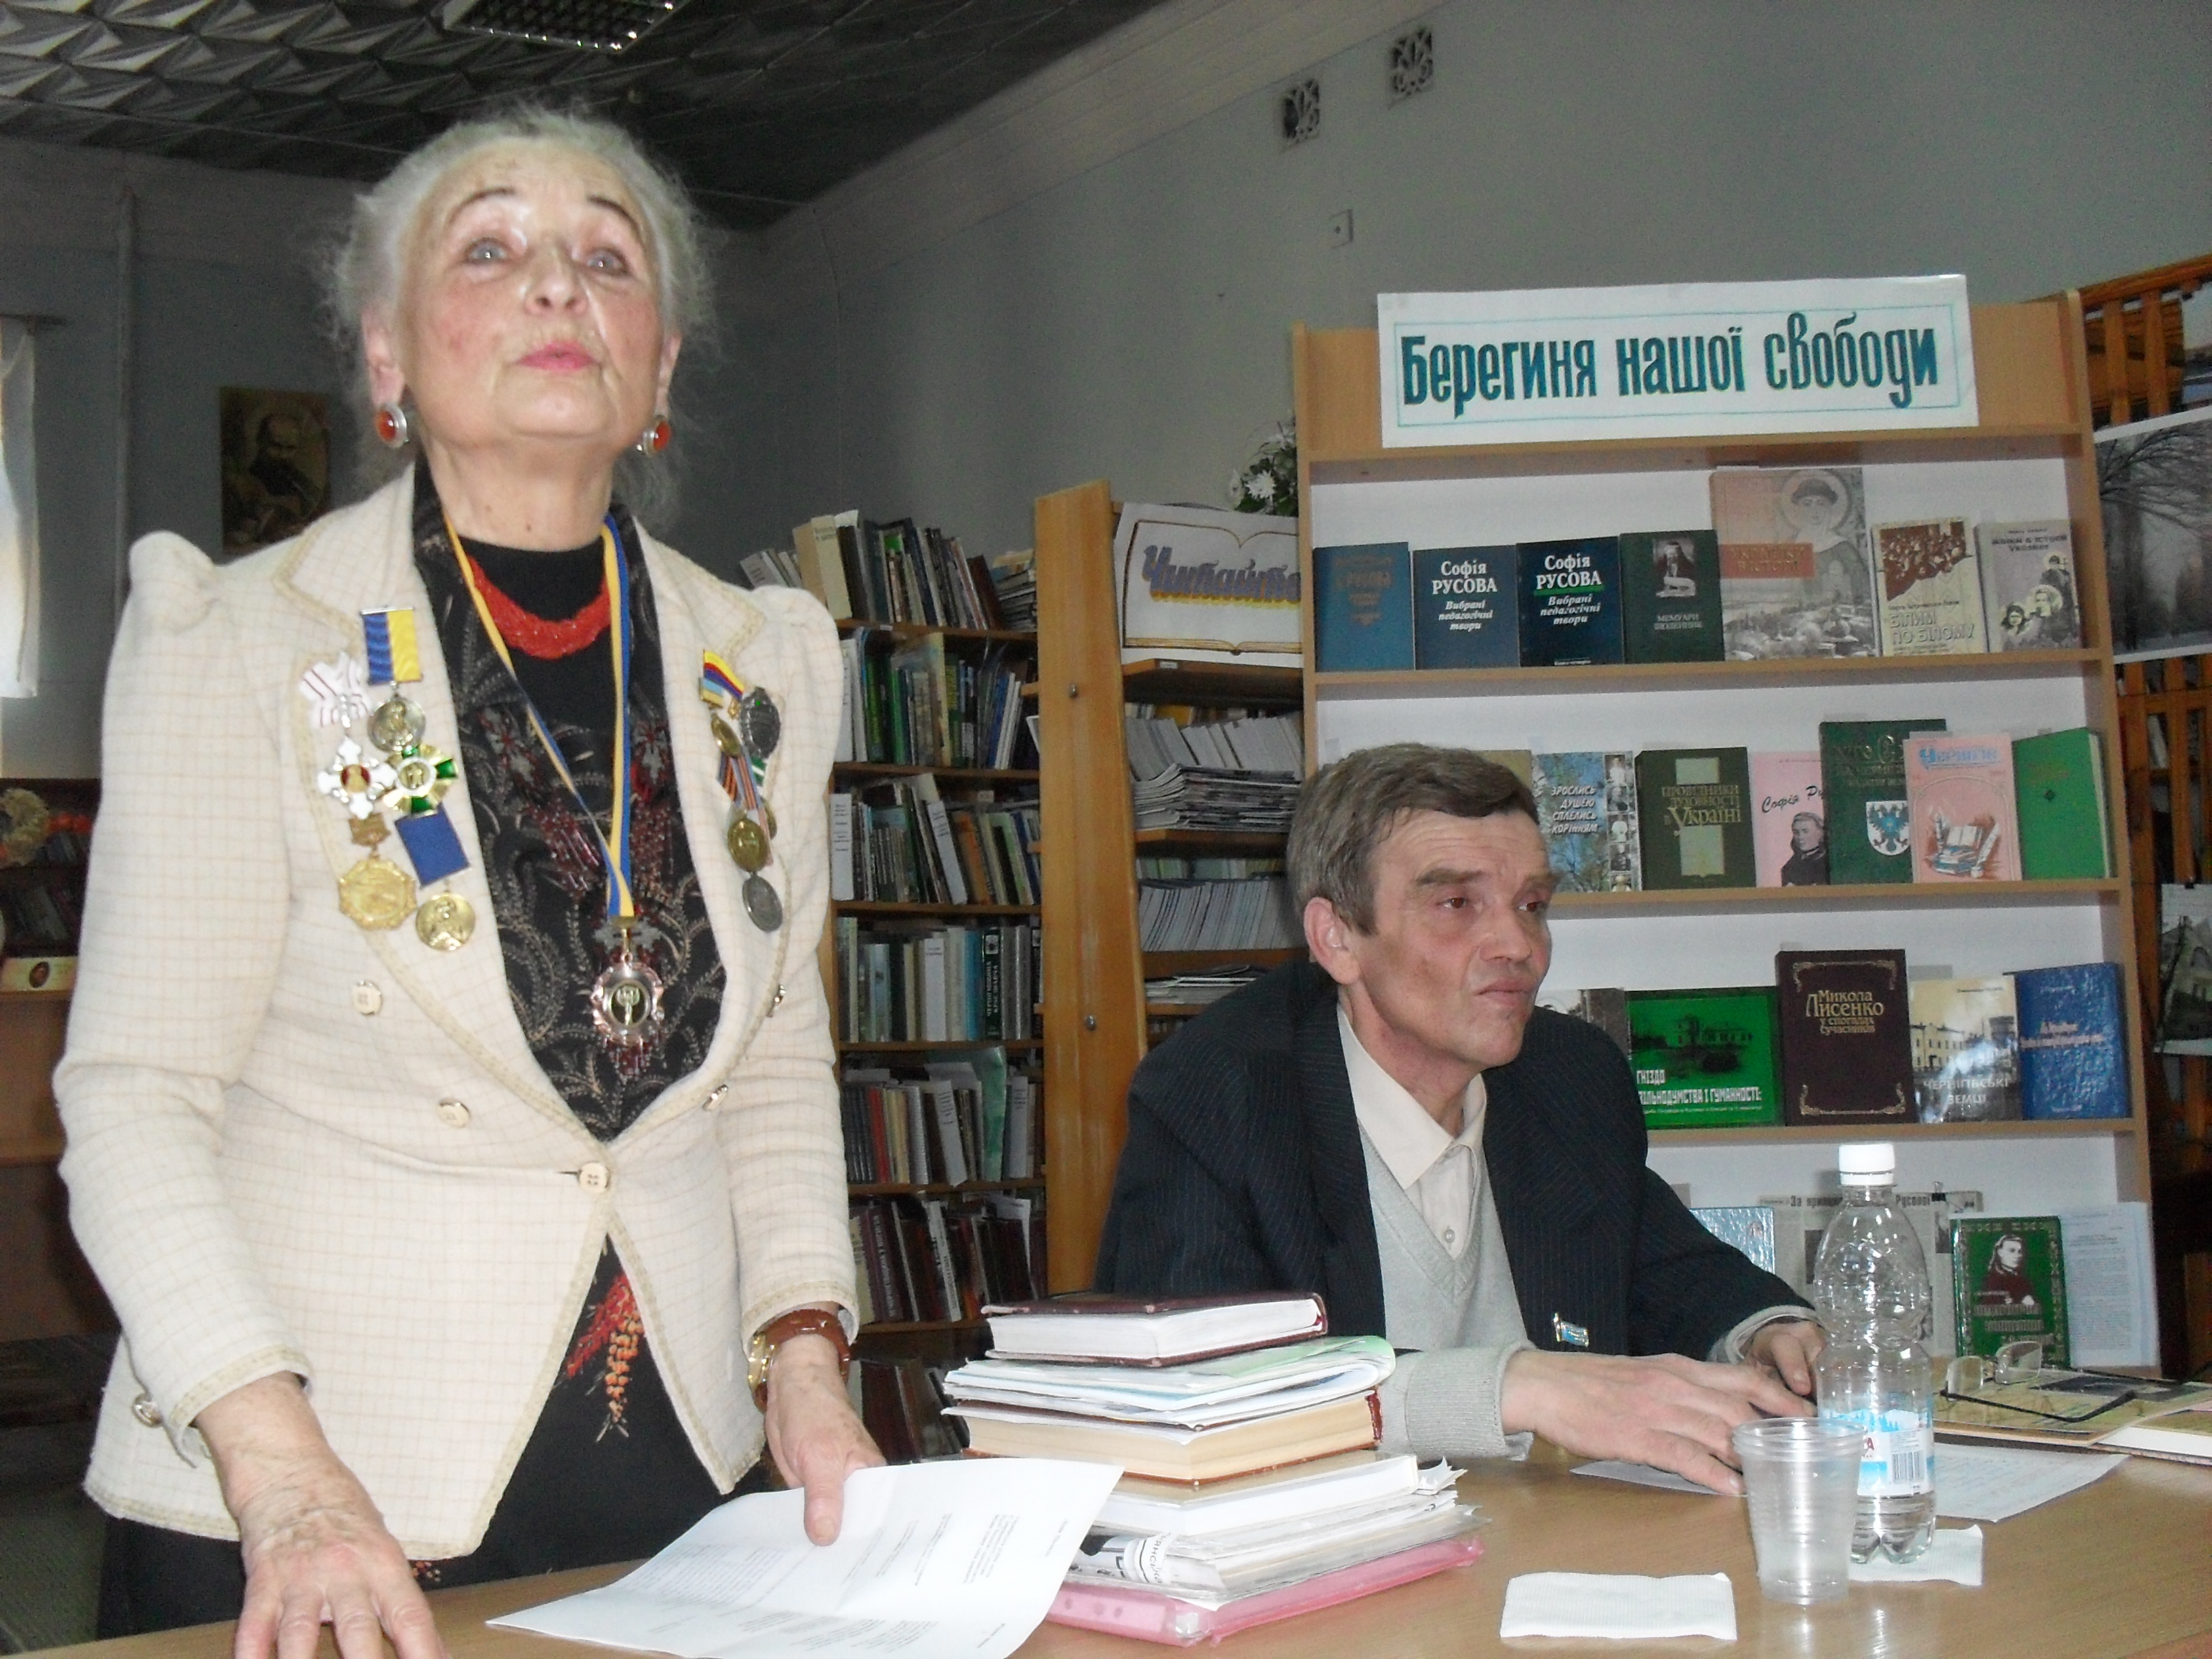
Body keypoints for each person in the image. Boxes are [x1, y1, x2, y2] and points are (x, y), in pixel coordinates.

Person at [56, 107, 877, 1654]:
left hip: (675, 1478)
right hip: (316, 1512)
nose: (557, 283)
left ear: (660, 367)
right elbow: (137, 1098)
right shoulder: (241, 638)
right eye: (491, 248)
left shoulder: (760, 663)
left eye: (606, 258)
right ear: (386, 354)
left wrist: (804, 1356)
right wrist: (285, 1476)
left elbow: (774, 1056)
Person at [1096, 743, 1822, 1494]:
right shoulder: (1216, 1094)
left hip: (1557, 1535)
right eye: (1456, 904)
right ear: (1337, 938)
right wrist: (1515, 1388)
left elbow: (1662, 1268)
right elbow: (1192, 1391)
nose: (1519, 947)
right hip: (1328, 1544)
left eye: (1532, 905)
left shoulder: (1569, 1073)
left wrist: (1765, 1332)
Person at [1780, 808, 1828, 885]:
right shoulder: (1789, 867)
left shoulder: (1827, 862)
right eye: (1796, 832)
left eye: (1805, 831)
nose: (1800, 837)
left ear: (1820, 833)